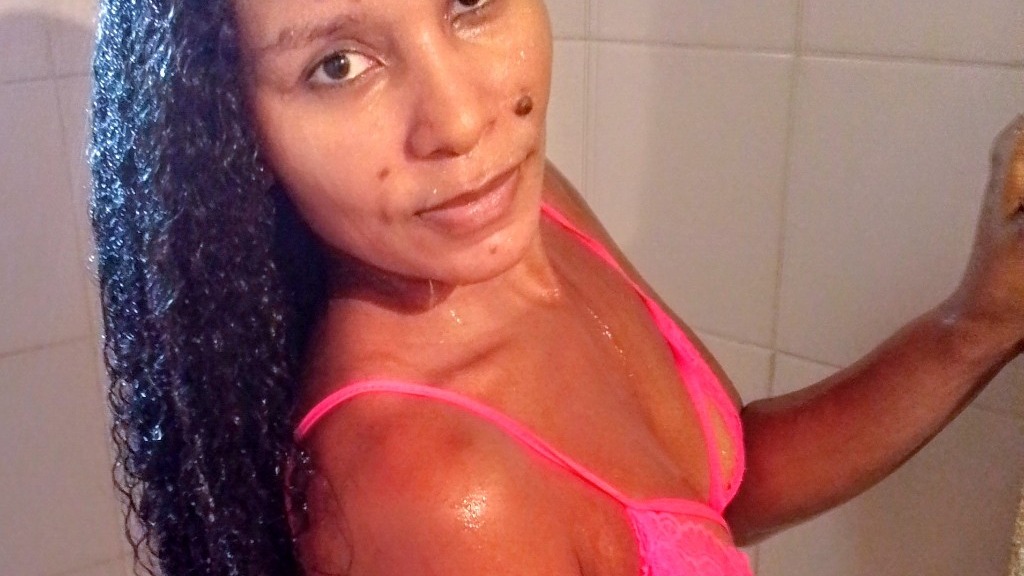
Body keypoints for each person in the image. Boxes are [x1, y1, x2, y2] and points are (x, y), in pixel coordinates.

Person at [88, 0, 1024, 574]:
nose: (462, 119)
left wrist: (972, 323)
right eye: (337, 65)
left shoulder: (529, 214)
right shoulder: (436, 487)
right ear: (232, 131)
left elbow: (721, 491)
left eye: (469, 0)